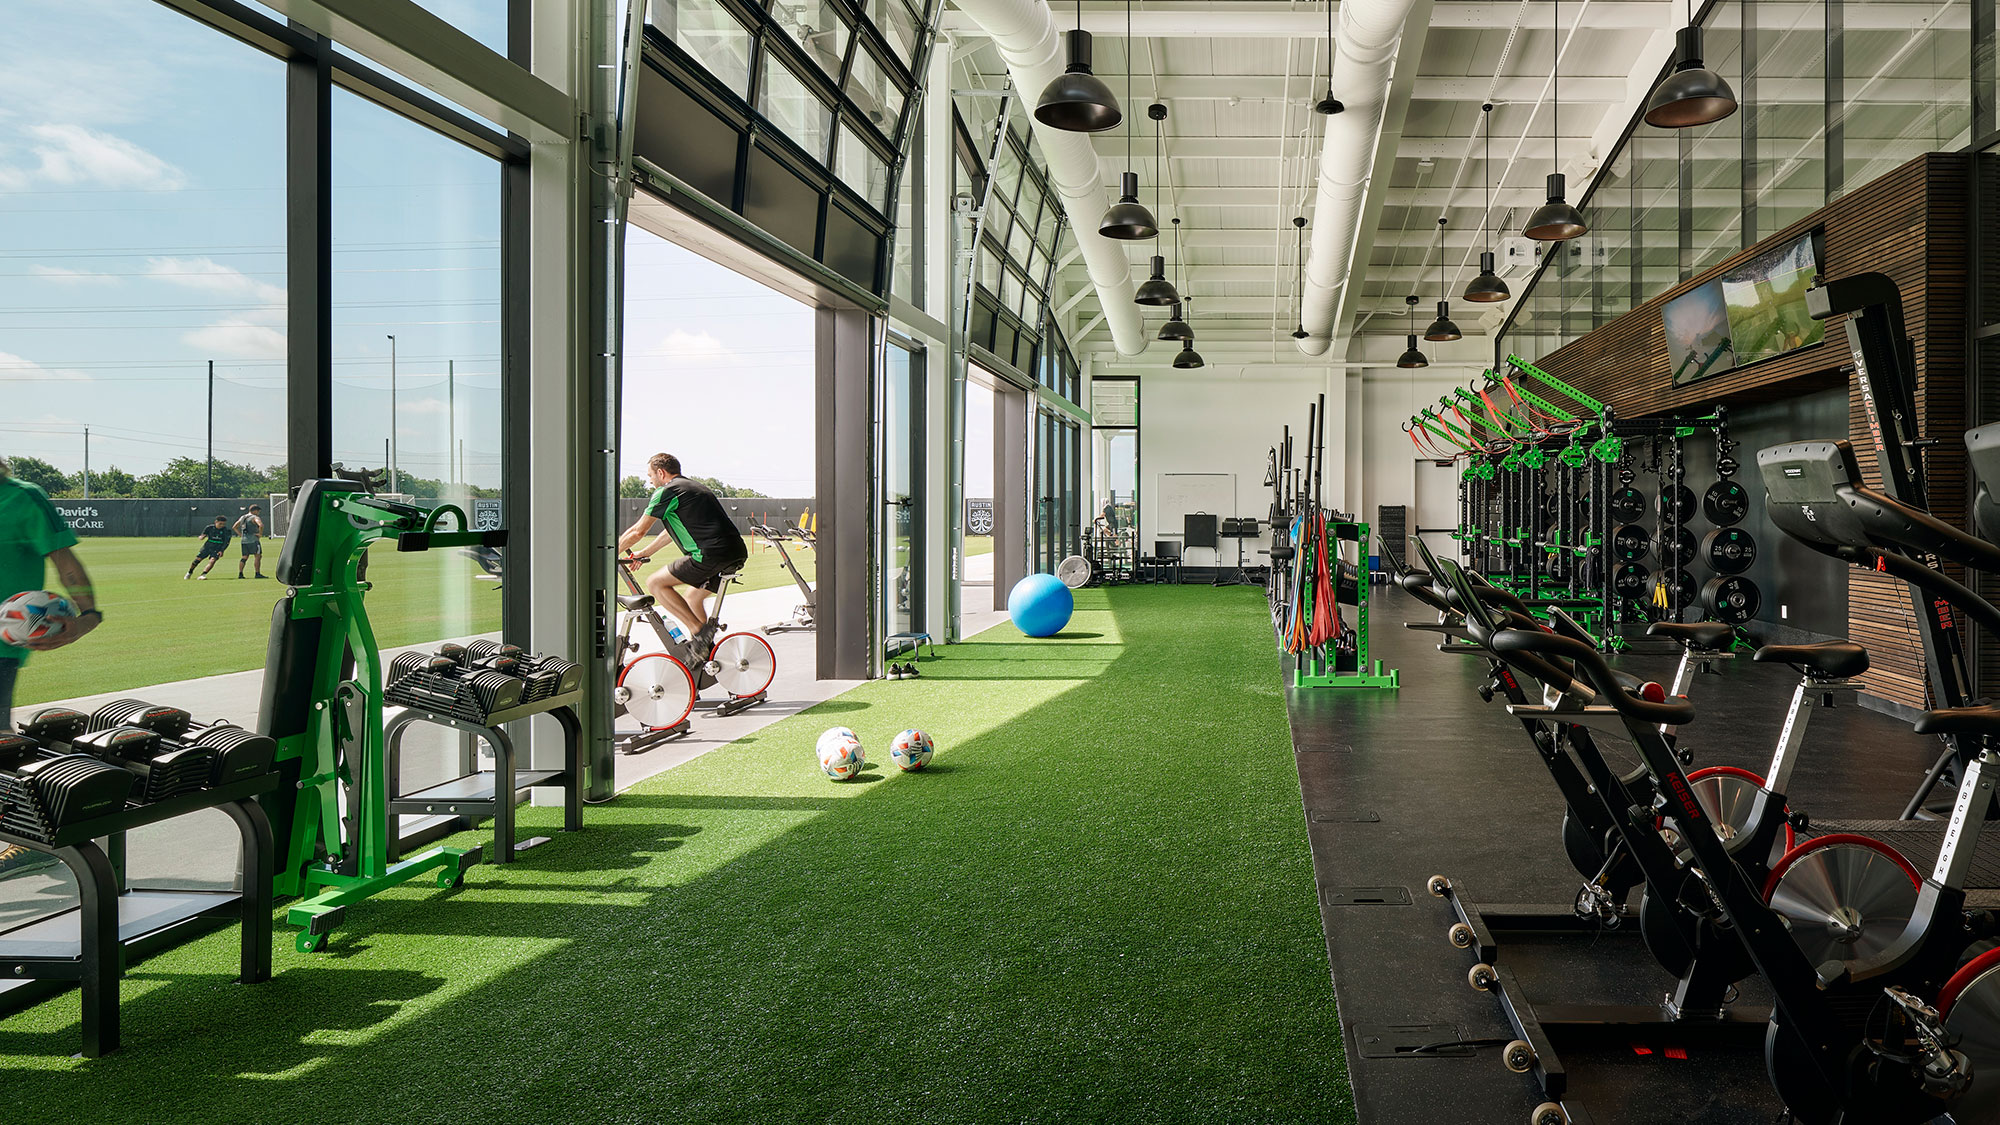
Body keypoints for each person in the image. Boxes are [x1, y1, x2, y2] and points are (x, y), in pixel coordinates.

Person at [0, 456, 101, 872]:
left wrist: (87, 617)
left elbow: (66, 563)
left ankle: (31, 839)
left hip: (1, 647)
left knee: (1, 746)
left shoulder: (22, 498)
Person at [617, 453, 748, 652]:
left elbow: (638, 531)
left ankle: (699, 632)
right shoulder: (696, 488)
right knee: (693, 598)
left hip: (710, 553)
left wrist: (610, 553)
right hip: (735, 551)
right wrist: (644, 553)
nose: (650, 480)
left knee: (655, 583)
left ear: (661, 473)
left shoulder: (667, 491)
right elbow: (669, 534)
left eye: (650, 475)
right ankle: (705, 652)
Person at [234, 504, 267, 579]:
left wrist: (241, 535)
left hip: (244, 541)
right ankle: (257, 573)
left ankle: (240, 574)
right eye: (258, 511)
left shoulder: (243, 517)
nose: (258, 513)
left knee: (244, 557)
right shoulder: (255, 517)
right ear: (255, 511)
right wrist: (260, 534)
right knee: (258, 556)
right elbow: (261, 525)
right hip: (253, 540)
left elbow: (234, 527)